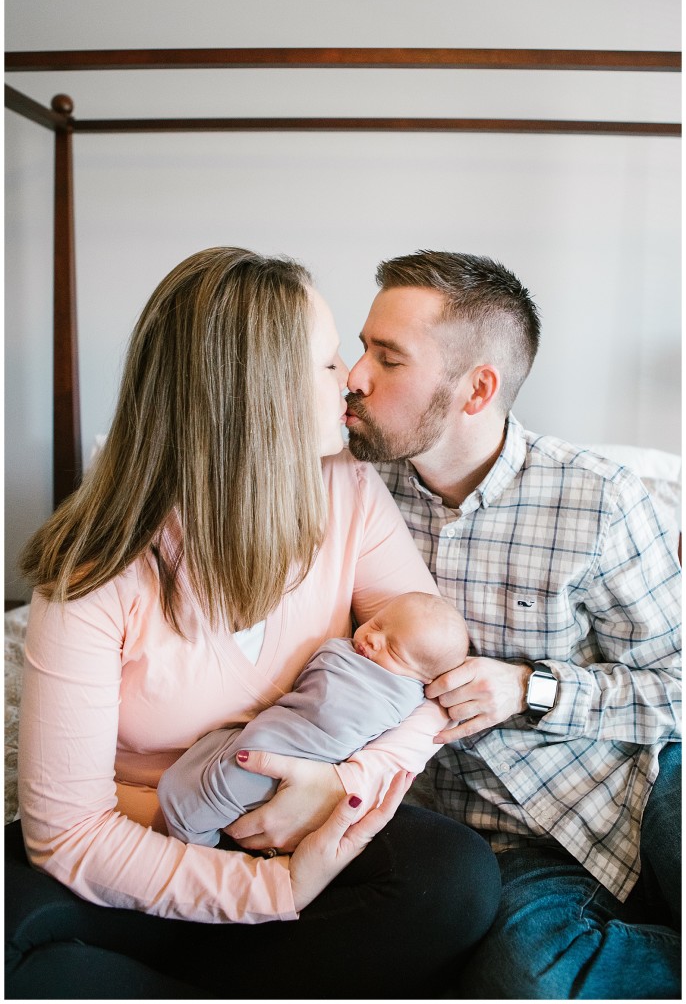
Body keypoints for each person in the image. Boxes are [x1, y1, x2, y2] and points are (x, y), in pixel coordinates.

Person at [6, 247, 501, 1000]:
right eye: (329, 364)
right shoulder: (96, 569)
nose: (353, 381)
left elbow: (435, 682)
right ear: (255, 393)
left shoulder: (349, 495)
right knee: (21, 949)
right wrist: (273, 891)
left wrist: (340, 785)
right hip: (142, 837)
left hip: (300, 822)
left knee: (455, 882)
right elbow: (68, 830)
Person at [345, 249, 682, 1000]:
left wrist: (529, 691)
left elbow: (680, 685)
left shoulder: (601, 499)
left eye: (387, 358)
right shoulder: (351, 494)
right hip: (500, 836)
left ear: (477, 389)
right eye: (361, 347)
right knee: (525, 983)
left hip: (640, 778)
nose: (353, 376)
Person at [159, 591, 470, 846]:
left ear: (424, 679)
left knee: (216, 794)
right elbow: (314, 680)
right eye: (376, 625)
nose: (374, 640)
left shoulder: (406, 695)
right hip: (271, 731)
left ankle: (193, 846)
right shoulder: (345, 653)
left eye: (395, 650)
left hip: (309, 759)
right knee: (211, 762)